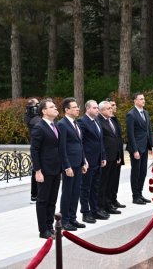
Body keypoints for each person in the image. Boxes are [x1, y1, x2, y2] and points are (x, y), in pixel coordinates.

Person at [30, 98, 61, 239]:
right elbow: (34, 150)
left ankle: (50, 226)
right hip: (44, 170)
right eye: (52, 107)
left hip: (56, 169)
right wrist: (38, 171)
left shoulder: (55, 126)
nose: (55, 108)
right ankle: (43, 230)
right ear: (44, 111)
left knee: (52, 200)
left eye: (55, 106)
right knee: (43, 200)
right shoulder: (39, 127)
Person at [57, 97, 88, 231]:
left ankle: (73, 218)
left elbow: (80, 144)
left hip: (78, 163)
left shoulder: (76, 123)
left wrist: (83, 161)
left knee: (76, 192)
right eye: (74, 107)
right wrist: (66, 166)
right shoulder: (62, 124)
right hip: (69, 165)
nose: (77, 109)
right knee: (68, 192)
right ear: (67, 110)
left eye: (77, 107)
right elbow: (62, 147)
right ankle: (64, 220)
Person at [78, 100, 108, 223]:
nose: (97, 110)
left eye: (97, 108)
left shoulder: (96, 121)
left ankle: (95, 210)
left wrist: (103, 156)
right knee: (86, 187)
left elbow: (100, 141)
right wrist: (83, 160)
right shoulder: (82, 122)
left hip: (98, 160)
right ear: (88, 109)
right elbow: (81, 143)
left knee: (95, 186)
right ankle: (85, 213)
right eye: (95, 108)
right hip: (88, 161)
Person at [125, 93, 153, 205]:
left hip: (145, 146)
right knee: (136, 172)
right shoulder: (131, 115)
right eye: (141, 99)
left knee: (143, 171)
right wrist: (135, 150)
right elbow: (130, 134)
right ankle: (135, 196)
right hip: (136, 148)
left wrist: (151, 145)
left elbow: (149, 130)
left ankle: (140, 193)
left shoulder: (145, 113)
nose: (143, 101)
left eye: (144, 99)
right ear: (135, 101)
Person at [97, 101, 122, 215]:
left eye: (111, 108)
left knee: (111, 182)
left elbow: (116, 138)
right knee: (103, 183)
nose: (111, 110)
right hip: (105, 157)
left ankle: (108, 204)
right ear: (101, 110)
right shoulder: (99, 121)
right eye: (108, 108)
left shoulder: (111, 120)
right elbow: (101, 140)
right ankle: (101, 206)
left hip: (113, 156)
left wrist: (118, 154)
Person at [105, 98, 126, 209]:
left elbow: (118, 137)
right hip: (110, 155)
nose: (114, 107)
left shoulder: (114, 119)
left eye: (114, 105)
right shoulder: (106, 120)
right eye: (112, 105)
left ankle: (114, 198)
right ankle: (109, 201)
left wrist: (119, 155)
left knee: (115, 179)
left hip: (117, 154)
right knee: (109, 180)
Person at [24, 97, 42, 204]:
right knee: (36, 170)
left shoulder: (31, 116)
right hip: (37, 147)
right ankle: (35, 195)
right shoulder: (34, 119)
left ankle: (35, 195)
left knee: (35, 170)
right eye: (38, 104)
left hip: (36, 146)